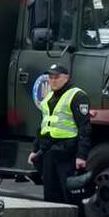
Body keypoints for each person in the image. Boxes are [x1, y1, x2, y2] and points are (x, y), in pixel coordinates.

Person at [28, 62, 89, 207]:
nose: (53, 81)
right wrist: (34, 150)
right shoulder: (49, 97)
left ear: (66, 78)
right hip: (49, 151)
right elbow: (43, 126)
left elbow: (84, 128)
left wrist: (81, 155)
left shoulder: (77, 96)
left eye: (56, 77)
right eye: (50, 77)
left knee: (69, 196)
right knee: (50, 194)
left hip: (66, 153)